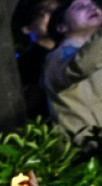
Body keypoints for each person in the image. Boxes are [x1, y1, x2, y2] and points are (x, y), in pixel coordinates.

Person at [43, 0, 102, 148]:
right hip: (87, 151)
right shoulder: (56, 58)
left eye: (94, 5)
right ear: (61, 27)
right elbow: (79, 66)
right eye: (80, 7)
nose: (92, 8)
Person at [14, 0, 60, 119]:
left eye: (56, 10)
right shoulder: (27, 62)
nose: (53, 15)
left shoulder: (71, 49)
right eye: (44, 11)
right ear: (27, 28)